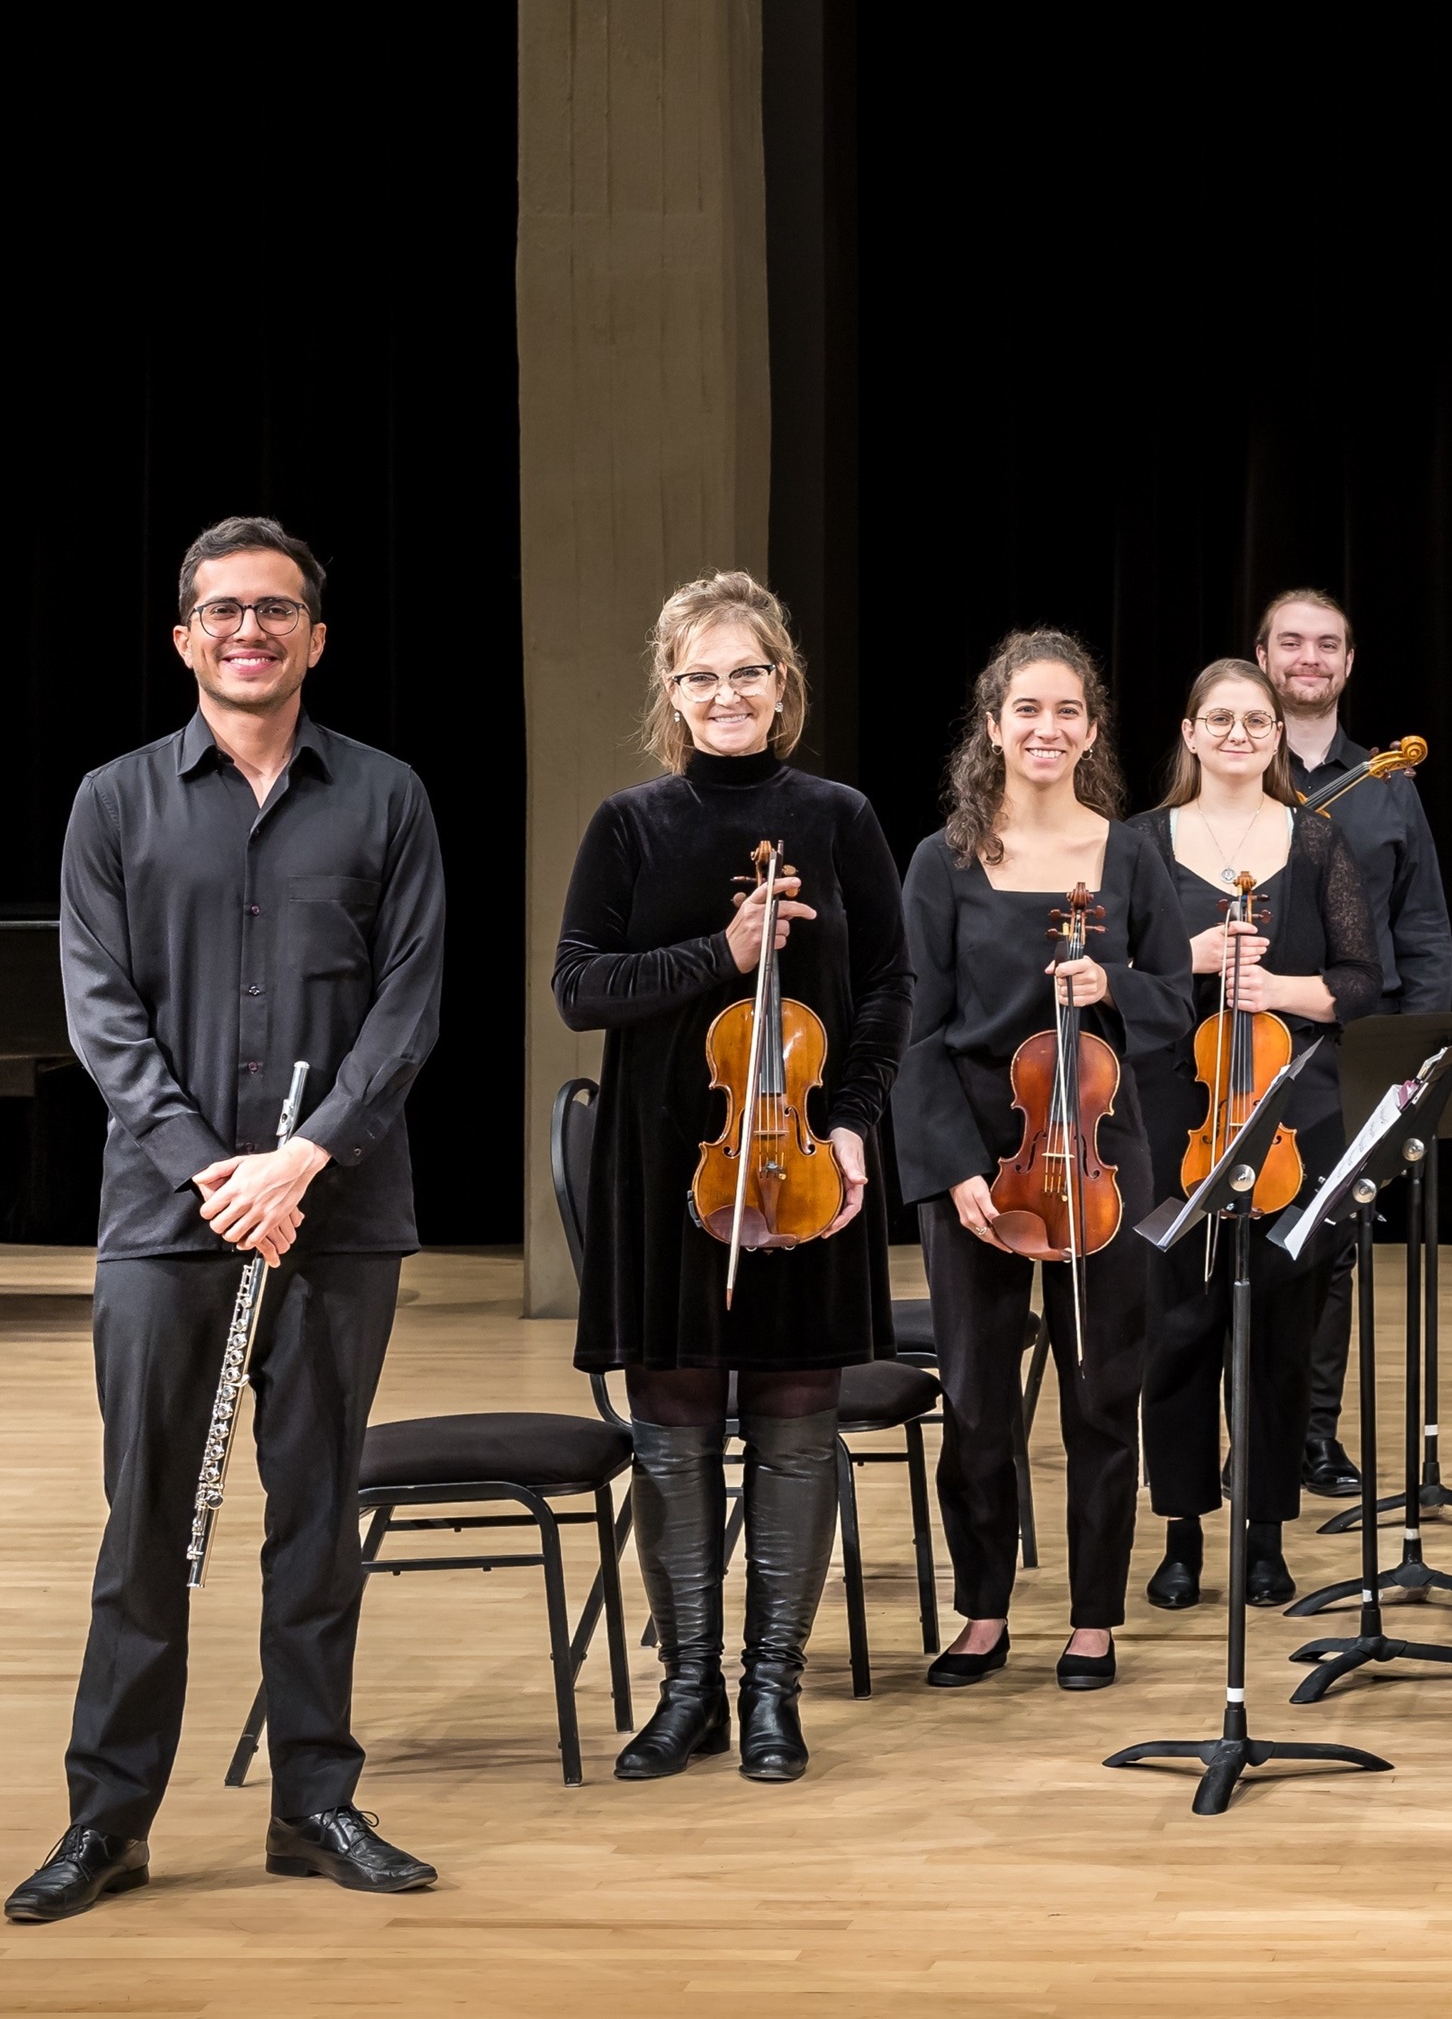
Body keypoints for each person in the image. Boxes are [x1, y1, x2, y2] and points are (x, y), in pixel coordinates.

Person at [17, 517, 449, 1921]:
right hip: (165, 1218)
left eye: (276, 608)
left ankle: (312, 1799)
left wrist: (305, 1158)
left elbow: (407, 1006)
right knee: (147, 1522)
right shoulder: (113, 802)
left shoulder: (386, 798)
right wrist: (220, 1168)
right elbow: (101, 1011)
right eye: (222, 609)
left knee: (316, 1522)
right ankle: (109, 1817)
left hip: (339, 1213)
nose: (248, 628)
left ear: (315, 636)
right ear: (185, 637)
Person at [552, 572, 909, 1782]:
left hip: (808, 1159)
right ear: (672, 691)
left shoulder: (841, 816)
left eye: (747, 670)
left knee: (799, 1431)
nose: (726, 693)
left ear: (782, 682)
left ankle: (774, 1689)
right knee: (677, 1426)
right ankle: (688, 1686)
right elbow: (579, 987)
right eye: (701, 675)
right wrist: (725, 950)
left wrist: (854, 1120)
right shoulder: (629, 825)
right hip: (670, 1163)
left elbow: (887, 989)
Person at [894, 631, 1191, 1693]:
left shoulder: (1131, 853)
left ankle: (1095, 1617)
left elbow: (1176, 1001)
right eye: (1027, 709)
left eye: (1067, 711)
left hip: (1102, 1153)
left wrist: (1105, 982)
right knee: (976, 1399)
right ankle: (982, 1609)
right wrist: (952, 1167)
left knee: (1104, 1389)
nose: (1047, 728)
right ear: (993, 724)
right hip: (978, 1154)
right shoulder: (943, 860)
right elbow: (916, 1030)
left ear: (1092, 730)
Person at [1135, 657, 1385, 1613]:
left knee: (1280, 1330)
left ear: (1278, 739)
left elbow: (1361, 981)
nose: (1239, 735)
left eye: (1257, 721)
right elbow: (1107, 975)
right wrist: (1186, 960)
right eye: (1221, 720)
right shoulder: (1141, 846)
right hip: (1176, 1112)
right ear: (1190, 733)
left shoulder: (1316, 843)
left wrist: (1277, 989)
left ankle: (1267, 1530)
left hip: (1295, 1113)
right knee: (1180, 1327)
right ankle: (1184, 1531)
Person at [1255, 588, 1450, 1499]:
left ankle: (1314, 1435)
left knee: (1333, 1246)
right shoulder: (1227, 768)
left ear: (1348, 663)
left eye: (1327, 644)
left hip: (1355, 1042)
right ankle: (1250, 1437)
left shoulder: (1386, 782)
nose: (1309, 657)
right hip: (1241, 1045)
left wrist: (1420, 1050)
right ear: (1262, 656)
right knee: (1243, 1247)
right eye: (1291, 642)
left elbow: (1424, 929)